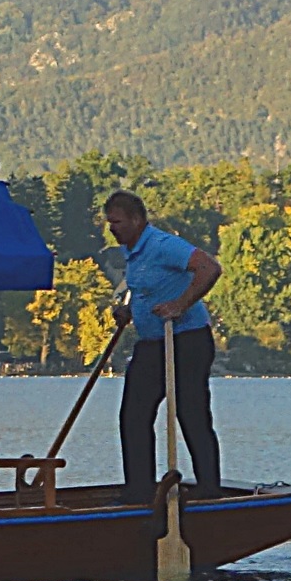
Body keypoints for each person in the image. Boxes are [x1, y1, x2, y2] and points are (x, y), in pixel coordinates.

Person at [104, 190, 223, 496]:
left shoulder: (162, 244)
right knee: (134, 414)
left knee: (190, 412)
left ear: (136, 219)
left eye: (116, 222)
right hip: (153, 342)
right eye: (109, 223)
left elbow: (209, 268)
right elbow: (149, 290)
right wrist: (130, 311)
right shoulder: (132, 254)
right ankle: (140, 490)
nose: (112, 228)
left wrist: (181, 304)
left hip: (187, 339)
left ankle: (209, 489)